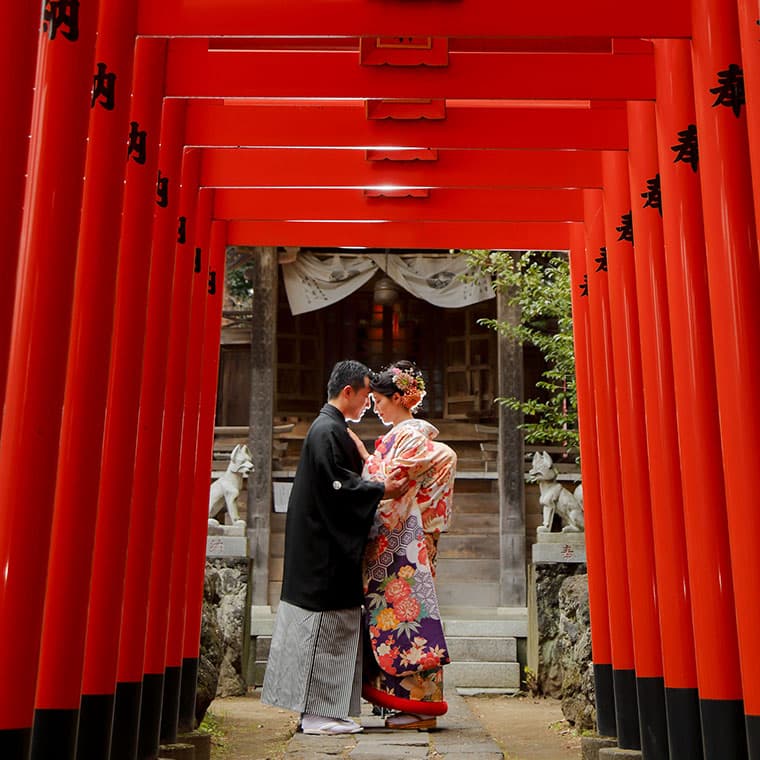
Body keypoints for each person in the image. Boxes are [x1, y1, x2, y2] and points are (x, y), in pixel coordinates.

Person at [261, 360, 409, 736]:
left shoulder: (329, 428)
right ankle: (316, 714)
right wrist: (380, 489)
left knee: (332, 631)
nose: (367, 404)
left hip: (322, 545)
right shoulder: (327, 430)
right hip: (322, 552)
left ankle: (324, 711)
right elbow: (337, 487)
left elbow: (342, 481)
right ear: (348, 392)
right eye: (364, 396)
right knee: (323, 631)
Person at [349, 360, 457, 731]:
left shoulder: (409, 435)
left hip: (405, 542)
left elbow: (388, 481)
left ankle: (419, 707)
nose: (375, 406)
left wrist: (366, 460)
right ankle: (409, 704)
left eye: (378, 399)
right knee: (400, 620)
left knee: (409, 621)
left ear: (397, 398)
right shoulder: (406, 435)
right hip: (407, 539)